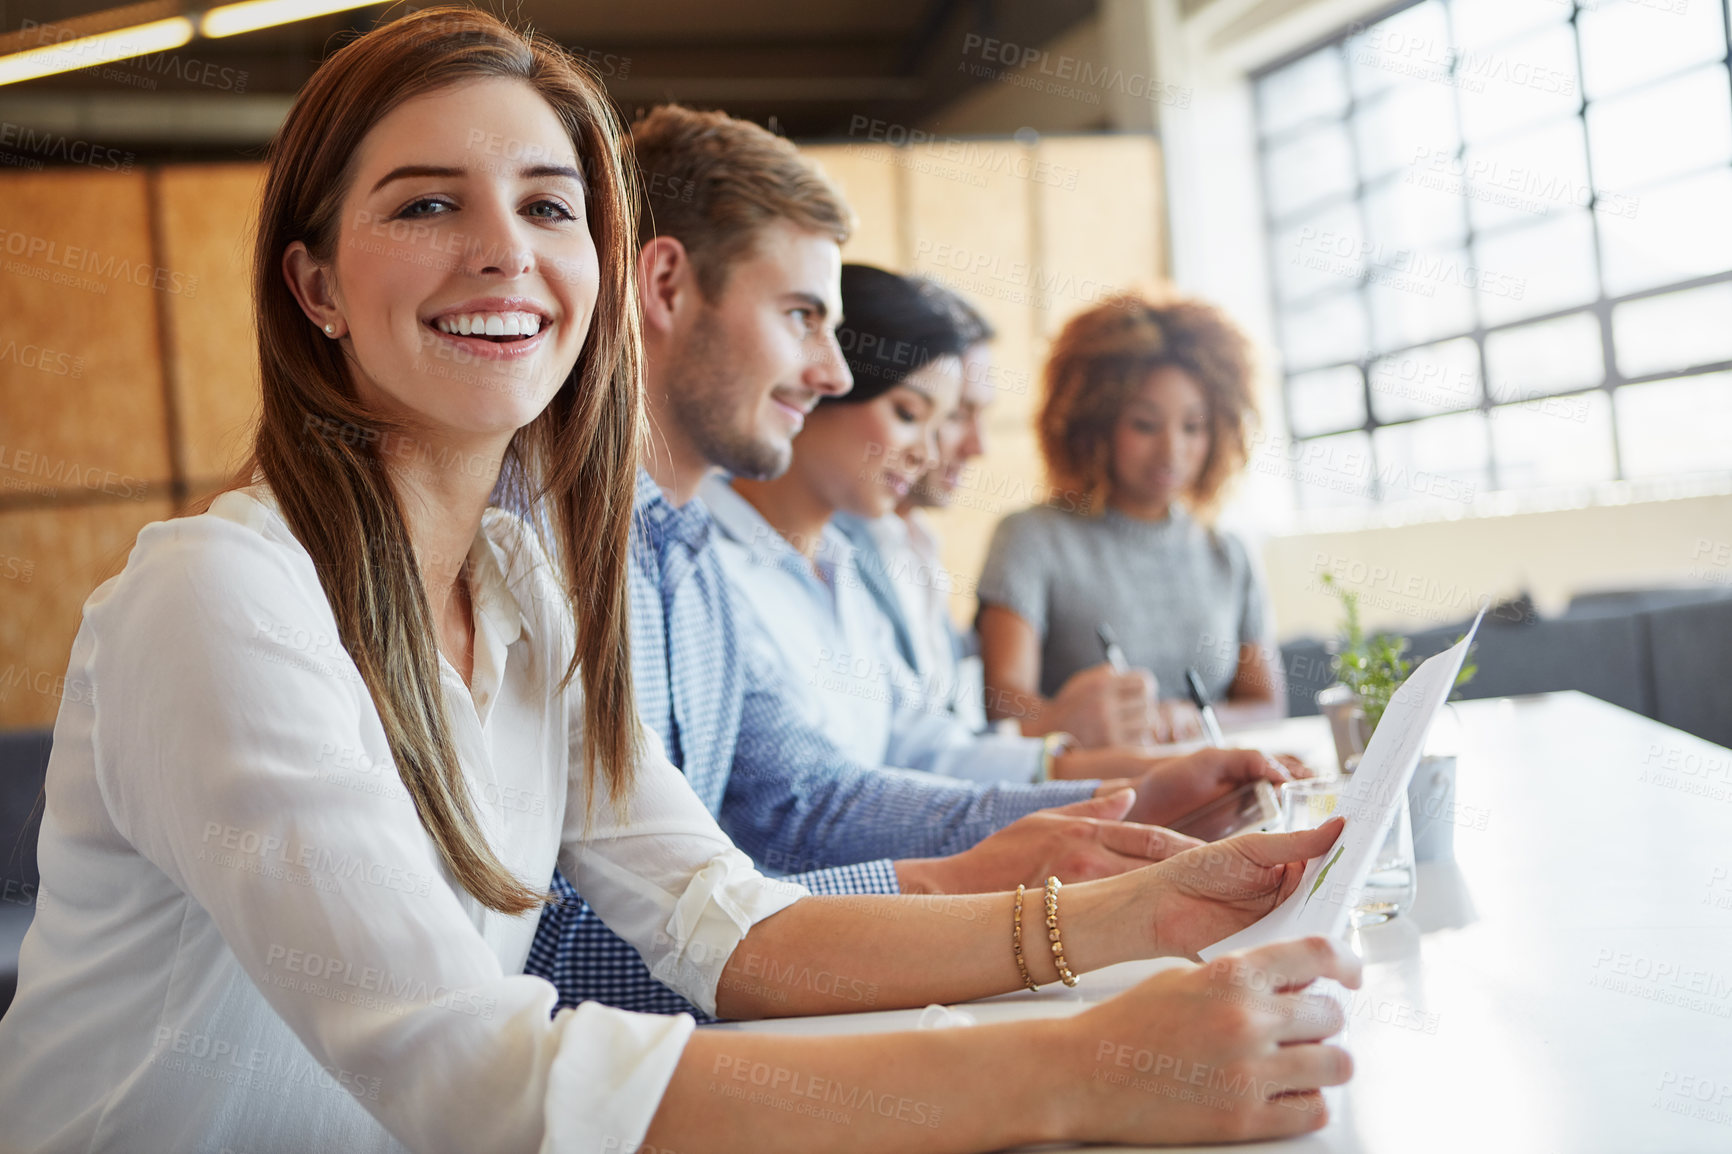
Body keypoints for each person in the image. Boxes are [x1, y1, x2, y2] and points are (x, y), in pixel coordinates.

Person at [0, 15, 1362, 1150]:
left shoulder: (538, 588)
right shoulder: (221, 598)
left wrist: (1133, 908)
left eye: (548, 206)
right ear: (315, 287)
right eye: (427, 203)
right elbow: (470, 1067)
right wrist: (1076, 1069)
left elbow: (725, 919)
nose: (505, 251)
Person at [527, 108, 1307, 1017]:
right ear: (662, 285)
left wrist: (1115, 798)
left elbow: (801, 801)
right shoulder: (544, 549)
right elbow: (560, 956)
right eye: (802, 317)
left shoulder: (681, 549)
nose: (830, 371)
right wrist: (967, 891)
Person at [706, 263, 1154, 780]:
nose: (930, 451)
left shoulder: (841, 564)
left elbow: (917, 742)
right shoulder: (711, 565)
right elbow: (813, 803)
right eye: (909, 414)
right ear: (823, 386)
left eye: (941, 421)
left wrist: (1122, 777)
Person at [833, 293, 1160, 747]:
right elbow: (905, 755)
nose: (977, 446)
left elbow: (949, 738)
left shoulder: (919, 545)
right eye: (953, 414)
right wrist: (1056, 727)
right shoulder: (831, 549)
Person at [978, 292, 1288, 742]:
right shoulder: (1031, 538)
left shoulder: (1228, 553)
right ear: (1095, 425)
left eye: (1193, 427)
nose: (1172, 451)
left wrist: (1192, 721)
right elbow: (1003, 706)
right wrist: (1079, 720)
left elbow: (1267, 706)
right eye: (1144, 425)